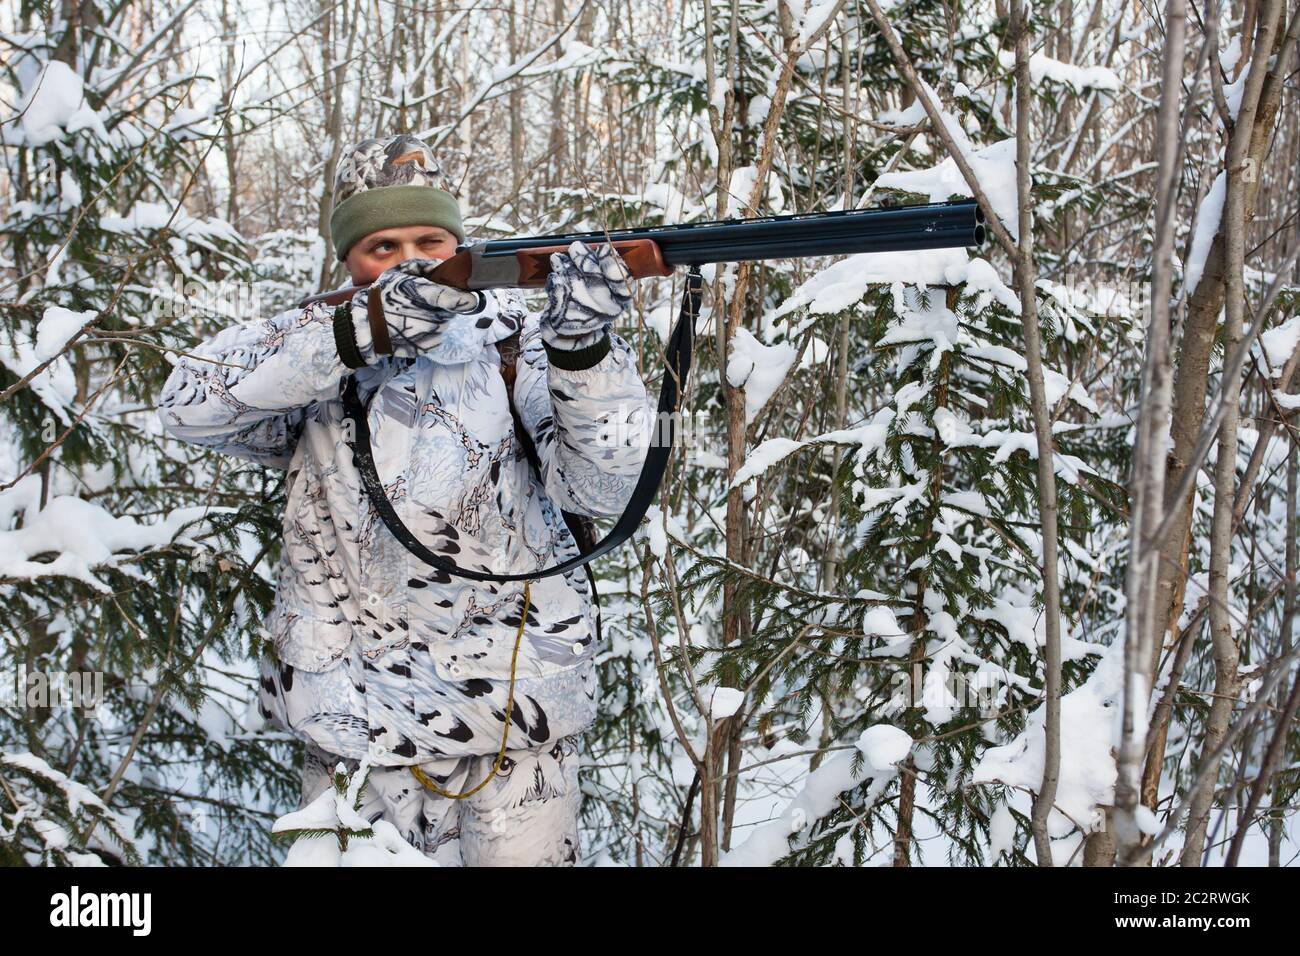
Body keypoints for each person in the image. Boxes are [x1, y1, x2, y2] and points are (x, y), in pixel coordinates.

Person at [158, 133, 654, 865]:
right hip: (352, 726)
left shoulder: (521, 344)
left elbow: (607, 487)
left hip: (514, 727)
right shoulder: (311, 354)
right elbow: (185, 403)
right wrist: (364, 330)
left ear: (462, 245)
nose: (411, 260)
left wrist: (585, 349)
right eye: (381, 246)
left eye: (431, 239)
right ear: (347, 260)